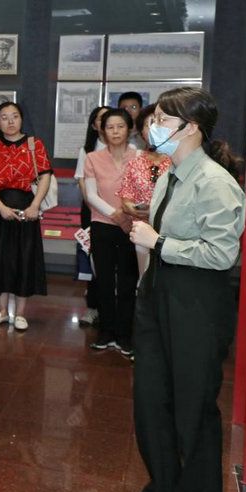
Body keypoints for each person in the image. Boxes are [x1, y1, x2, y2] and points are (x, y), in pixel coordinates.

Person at [117, 87, 244, 492]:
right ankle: (163, 491)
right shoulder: (169, 173)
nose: (152, 127)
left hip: (196, 304)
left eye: (162, 121)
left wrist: (160, 243)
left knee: (193, 406)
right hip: (159, 295)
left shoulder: (215, 181)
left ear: (191, 128)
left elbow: (221, 253)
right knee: (152, 400)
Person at [0, 101, 51, 331]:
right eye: (4, 117)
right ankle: (1, 311)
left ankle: (20, 314)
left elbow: (45, 176)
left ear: (21, 119)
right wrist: (0, 207)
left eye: (15, 116)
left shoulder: (34, 145)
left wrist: (35, 205)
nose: (10, 121)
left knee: (24, 259)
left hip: (27, 210)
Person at [83, 107, 138, 357]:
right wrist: (117, 215)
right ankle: (106, 332)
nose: (115, 131)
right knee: (103, 280)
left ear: (130, 129)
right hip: (102, 224)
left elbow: (144, 192)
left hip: (133, 227)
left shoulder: (140, 157)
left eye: (120, 126)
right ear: (102, 131)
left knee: (127, 281)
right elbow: (91, 195)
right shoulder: (93, 158)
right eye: (110, 127)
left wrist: (128, 217)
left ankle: (124, 334)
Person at [118, 104, 171, 276]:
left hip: (172, 231)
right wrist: (134, 209)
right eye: (148, 125)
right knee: (144, 277)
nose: (154, 129)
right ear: (141, 133)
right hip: (142, 230)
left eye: (158, 123)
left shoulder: (176, 160)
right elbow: (126, 198)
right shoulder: (135, 163)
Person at [74, 106, 108, 327]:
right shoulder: (87, 150)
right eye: (100, 119)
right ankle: (93, 307)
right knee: (95, 259)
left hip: (120, 213)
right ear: (94, 125)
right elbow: (81, 180)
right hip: (92, 211)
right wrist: (94, 204)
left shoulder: (131, 149)